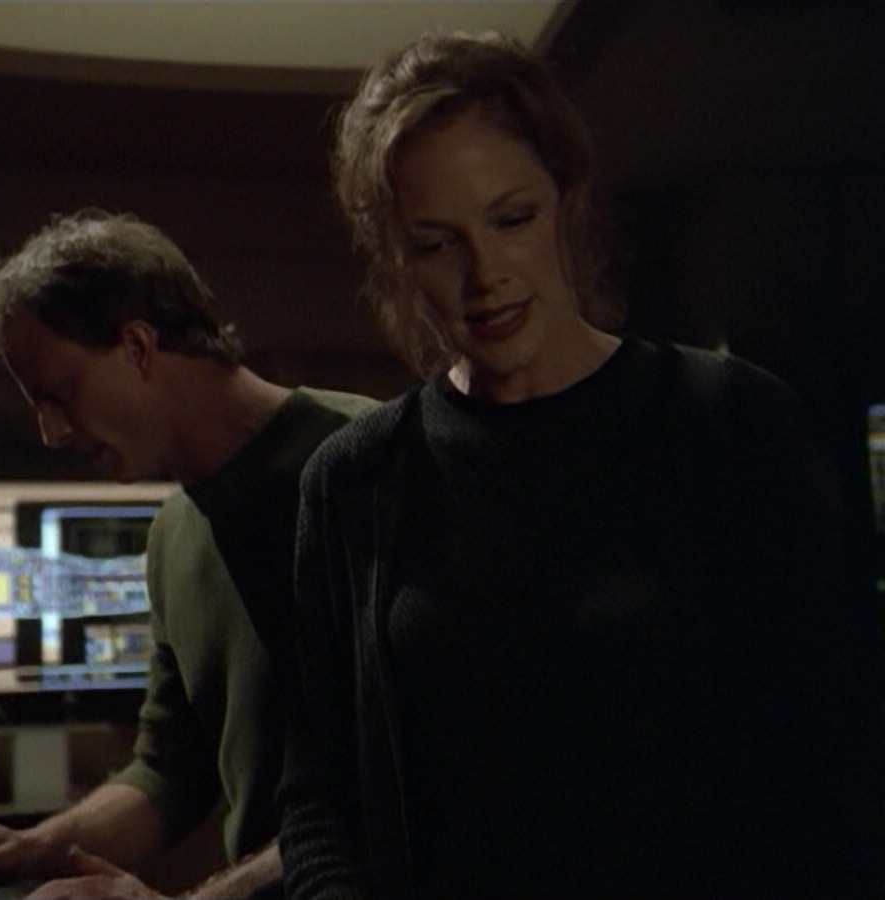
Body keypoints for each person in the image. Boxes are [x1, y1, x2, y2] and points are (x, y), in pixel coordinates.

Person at [277, 30, 883, 899]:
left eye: (511, 219)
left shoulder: (729, 427)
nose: (485, 274)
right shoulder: (356, 482)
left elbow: (835, 762)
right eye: (438, 242)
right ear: (395, 255)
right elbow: (317, 795)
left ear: (567, 199)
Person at [0, 208, 377, 899]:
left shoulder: (365, 463)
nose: (50, 434)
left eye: (59, 394)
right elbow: (168, 772)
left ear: (138, 347)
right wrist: (27, 848)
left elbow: (398, 788)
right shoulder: (174, 537)